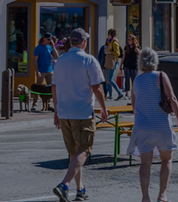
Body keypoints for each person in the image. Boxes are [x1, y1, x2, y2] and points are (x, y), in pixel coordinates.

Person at [49, 29, 110, 202]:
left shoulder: (60, 61)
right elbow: (97, 87)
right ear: (84, 42)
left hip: (64, 111)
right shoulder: (88, 60)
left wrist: (56, 110)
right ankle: (64, 184)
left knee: (74, 153)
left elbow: (54, 87)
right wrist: (104, 108)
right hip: (82, 111)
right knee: (84, 149)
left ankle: (80, 189)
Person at [129, 49, 178, 202]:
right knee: (166, 160)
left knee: (145, 162)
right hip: (161, 124)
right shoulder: (161, 76)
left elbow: (134, 106)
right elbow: (172, 98)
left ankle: (145, 197)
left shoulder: (137, 80)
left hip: (143, 126)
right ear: (155, 60)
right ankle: (162, 195)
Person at [100, 30, 124, 100]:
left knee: (110, 79)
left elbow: (118, 53)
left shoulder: (114, 42)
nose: (107, 36)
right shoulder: (110, 42)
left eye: (108, 34)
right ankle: (110, 95)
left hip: (113, 62)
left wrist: (109, 52)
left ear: (111, 35)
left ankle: (120, 93)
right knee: (107, 79)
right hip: (108, 62)